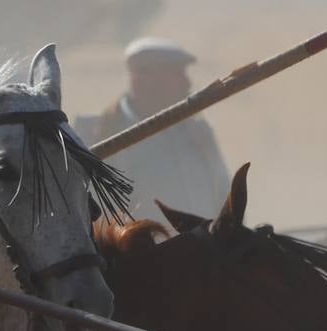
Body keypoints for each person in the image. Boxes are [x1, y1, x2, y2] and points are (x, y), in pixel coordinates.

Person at [82, 38, 229, 219]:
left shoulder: (197, 130)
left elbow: (224, 191)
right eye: (176, 73)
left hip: (210, 244)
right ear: (141, 79)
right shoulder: (100, 134)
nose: (187, 83)